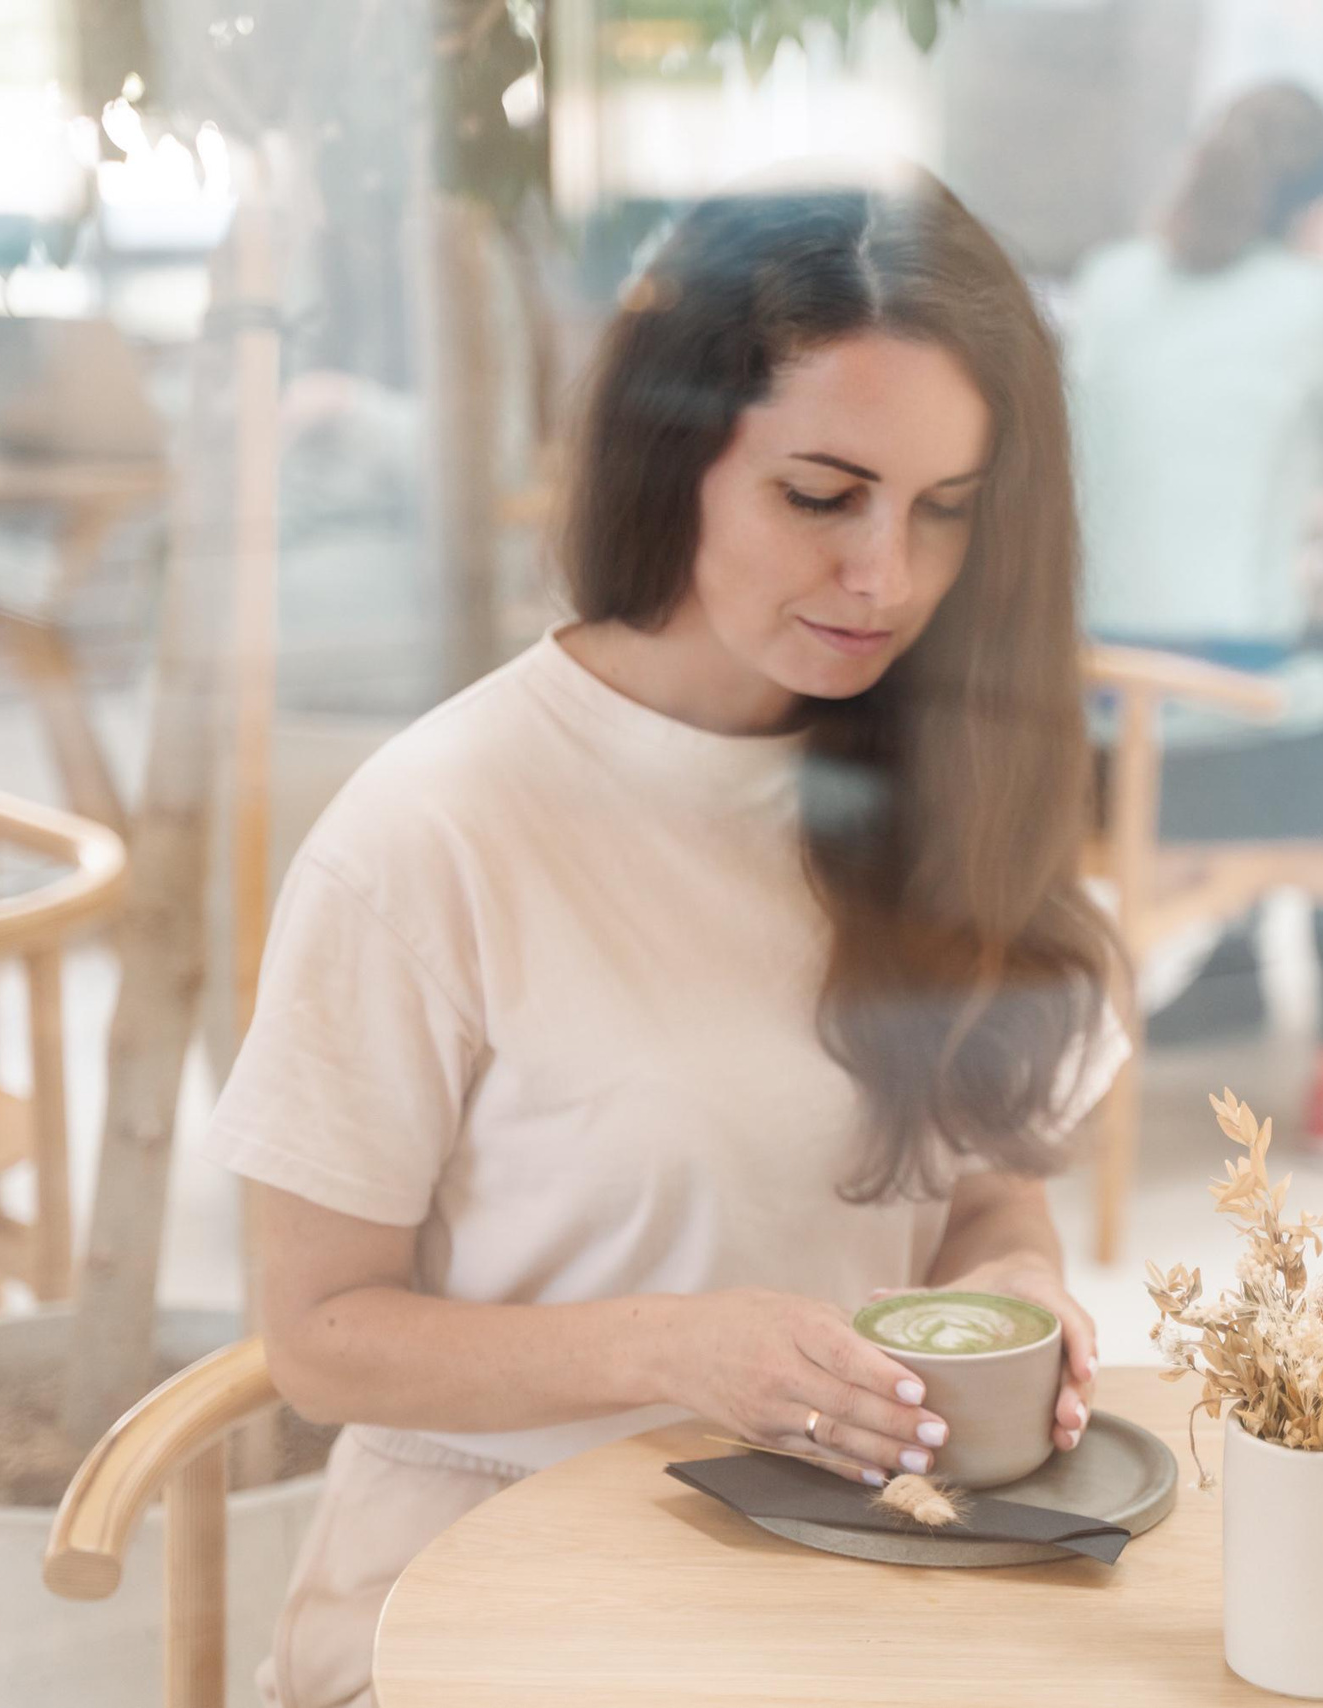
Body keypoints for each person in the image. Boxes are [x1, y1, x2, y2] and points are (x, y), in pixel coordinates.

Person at [206, 174, 1125, 1708]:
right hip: (479, 1596)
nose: (886, 578)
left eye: (945, 512)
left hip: (842, 1591)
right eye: (822, 496)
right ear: (676, 455)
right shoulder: (435, 831)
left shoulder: (944, 787)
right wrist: (676, 1353)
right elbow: (318, 1339)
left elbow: (983, 1202)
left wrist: (1019, 1294)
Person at [1065, 83, 1323, 1150]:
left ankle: (1259, 991)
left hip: (1084, 747)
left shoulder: (1110, 282)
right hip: (1226, 756)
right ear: (1314, 207)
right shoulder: (1320, 301)